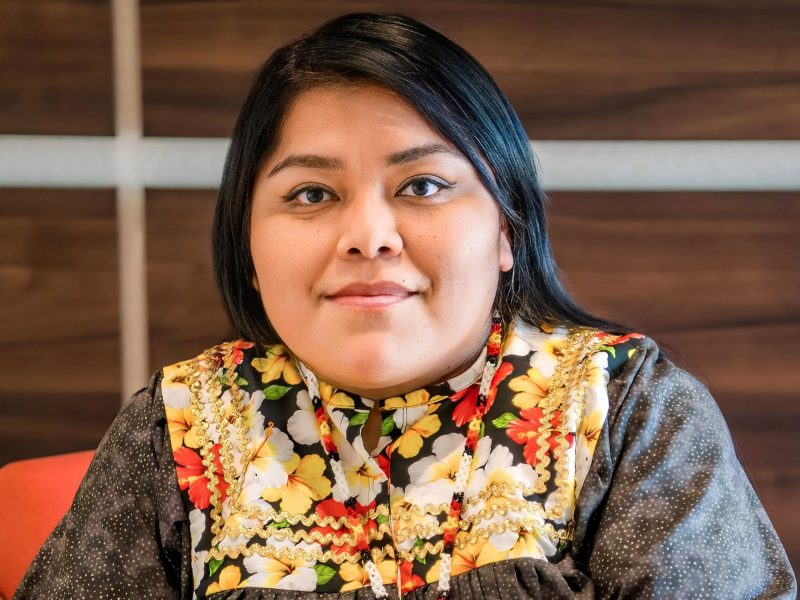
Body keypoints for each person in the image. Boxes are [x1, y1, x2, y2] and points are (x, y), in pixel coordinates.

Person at [14, 12, 796, 600]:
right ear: (247, 247)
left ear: (506, 228)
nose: (368, 236)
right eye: (312, 193)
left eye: (422, 185)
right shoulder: (176, 427)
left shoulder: (622, 412)